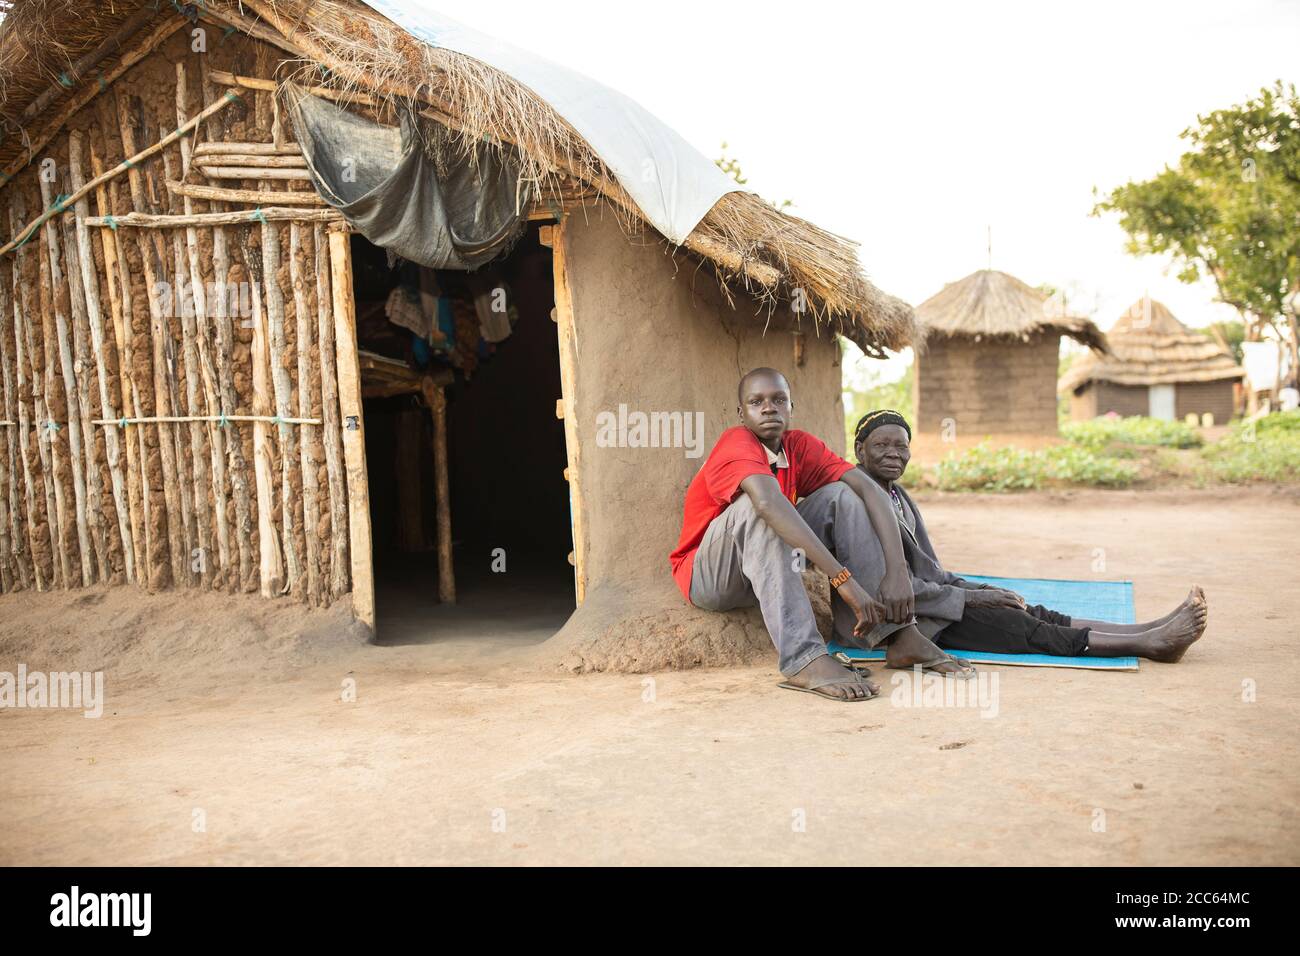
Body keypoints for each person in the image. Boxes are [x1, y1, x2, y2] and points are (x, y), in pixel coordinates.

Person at [670, 369, 977, 703]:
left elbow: (868, 489)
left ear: (791, 406)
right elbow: (768, 504)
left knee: (843, 496)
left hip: (764, 568)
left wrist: (897, 569)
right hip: (711, 578)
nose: (769, 408)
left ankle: (898, 635)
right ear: (741, 414)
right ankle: (803, 659)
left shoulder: (797, 446)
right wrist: (843, 579)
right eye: (756, 402)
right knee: (761, 508)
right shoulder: (736, 443)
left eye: (778, 400)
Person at [846, 409, 1209, 663]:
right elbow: (889, 589)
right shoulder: (857, 506)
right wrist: (969, 600)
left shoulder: (897, 496)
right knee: (1020, 626)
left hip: (937, 600)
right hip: (918, 619)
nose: (894, 454)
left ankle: (1143, 628)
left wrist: (979, 590)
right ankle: (1147, 644)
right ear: (860, 451)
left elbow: (931, 571)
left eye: (902, 446)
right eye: (881, 446)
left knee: (1027, 608)